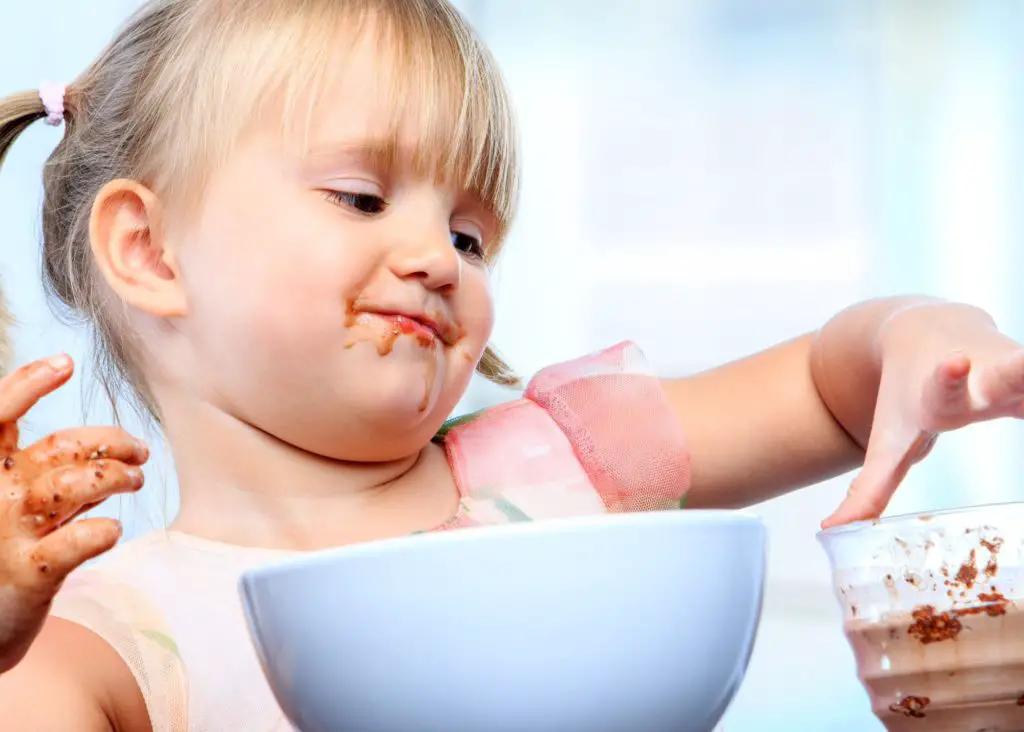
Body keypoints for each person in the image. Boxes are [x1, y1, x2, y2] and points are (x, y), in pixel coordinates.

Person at [1, 1, 1023, 730]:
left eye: (471, 235)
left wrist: (919, 331)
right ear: (150, 250)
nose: (436, 259)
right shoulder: (106, 641)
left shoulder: (567, 466)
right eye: (360, 196)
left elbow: (820, 389)